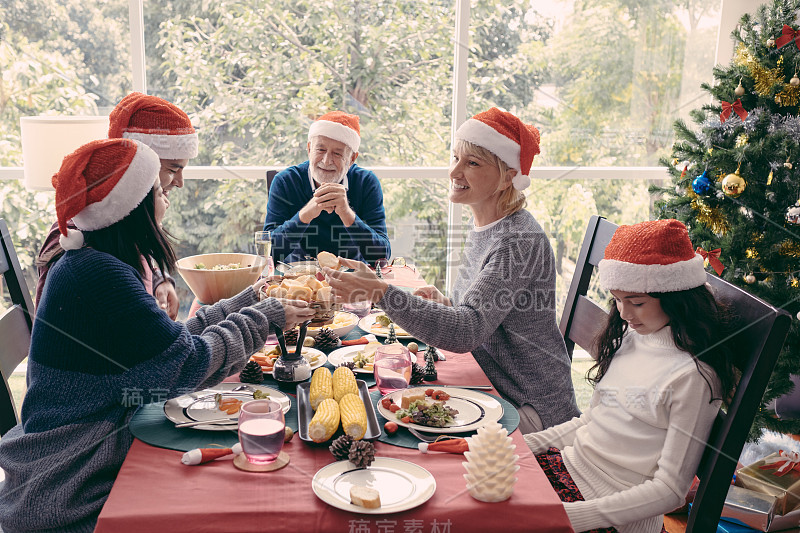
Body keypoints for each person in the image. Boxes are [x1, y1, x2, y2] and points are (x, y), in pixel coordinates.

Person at [0, 138, 315, 532]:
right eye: (159, 189)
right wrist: (264, 318)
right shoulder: (100, 276)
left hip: (80, 448)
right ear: (131, 207)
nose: (168, 194)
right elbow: (188, 363)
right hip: (71, 478)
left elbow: (171, 345)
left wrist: (251, 297)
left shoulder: (94, 262)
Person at [324, 107, 580, 432]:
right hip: (495, 386)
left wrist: (379, 291)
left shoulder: (518, 239)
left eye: (472, 163)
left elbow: (465, 332)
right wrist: (447, 305)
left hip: (530, 407)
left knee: (396, 423)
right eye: (455, 158)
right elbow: (477, 315)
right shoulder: (487, 225)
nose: (454, 171)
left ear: (506, 177)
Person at [524, 219, 736, 532]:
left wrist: (576, 515)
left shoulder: (692, 377)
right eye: (618, 300)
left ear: (676, 297)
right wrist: (522, 446)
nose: (624, 314)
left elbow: (670, 489)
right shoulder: (632, 338)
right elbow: (589, 423)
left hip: (610, 514)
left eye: (637, 302)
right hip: (567, 471)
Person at [35, 92, 198, 319]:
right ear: (138, 165)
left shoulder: (116, 226)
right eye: (172, 169)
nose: (179, 183)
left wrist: (159, 279)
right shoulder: (78, 246)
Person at [264, 111, 391, 264]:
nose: (326, 161)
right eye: (320, 150)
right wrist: (304, 215)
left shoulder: (366, 182)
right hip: (298, 279)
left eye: (337, 153)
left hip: (352, 277)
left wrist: (347, 214)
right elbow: (268, 252)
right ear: (309, 149)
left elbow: (382, 257)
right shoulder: (285, 181)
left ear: (352, 158)